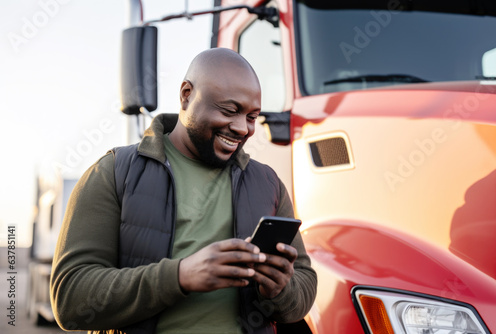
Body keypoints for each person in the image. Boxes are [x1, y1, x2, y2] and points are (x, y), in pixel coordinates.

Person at [50, 48, 317, 334]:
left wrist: (279, 289)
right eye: (229, 111)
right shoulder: (114, 171)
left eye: (252, 117)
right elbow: (70, 300)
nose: (242, 128)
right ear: (186, 95)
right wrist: (180, 276)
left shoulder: (268, 183)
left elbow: (304, 286)